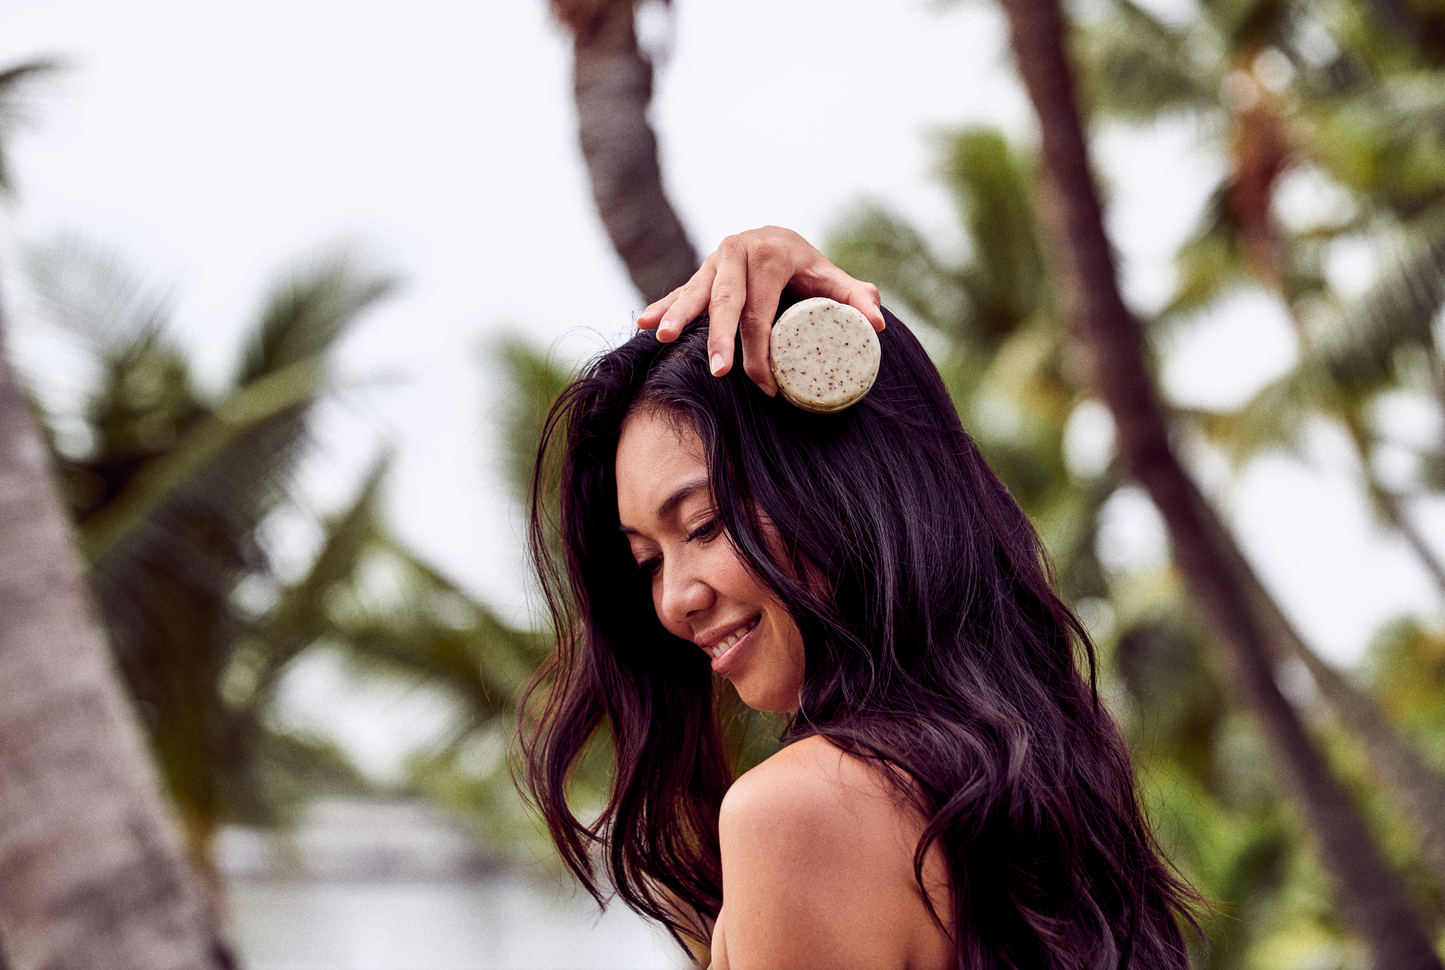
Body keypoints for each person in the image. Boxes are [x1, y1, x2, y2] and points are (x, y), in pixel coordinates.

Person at [519, 227, 1199, 969]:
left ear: (841, 494)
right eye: (647, 560)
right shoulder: (1045, 771)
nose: (675, 599)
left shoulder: (798, 810)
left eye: (706, 524)